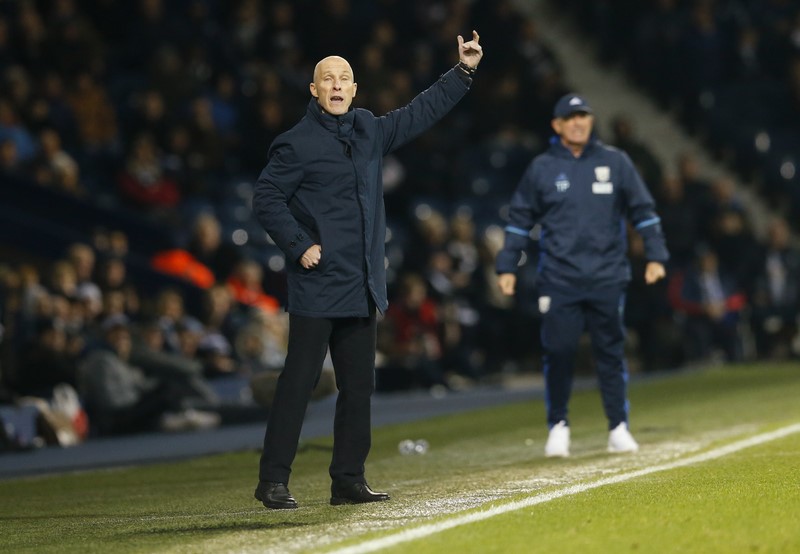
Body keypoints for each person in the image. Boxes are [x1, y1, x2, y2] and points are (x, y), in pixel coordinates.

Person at [251, 31, 484, 509]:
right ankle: (272, 480)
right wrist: (299, 245)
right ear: (313, 90)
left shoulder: (367, 130)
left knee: (359, 388)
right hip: (317, 285)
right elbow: (265, 197)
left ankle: (348, 480)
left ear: (355, 90)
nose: (337, 86)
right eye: (327, 79)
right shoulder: (295, 143)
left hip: (361, 286)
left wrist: (462, 72)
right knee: (298, 384)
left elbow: (420, 112)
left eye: (345, 79)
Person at [495, 93, 669, 458]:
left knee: (611, 353)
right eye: (570, 117)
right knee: (558, 351)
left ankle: (618, 426)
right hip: (560, 278)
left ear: (591, 122)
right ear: (557, 126)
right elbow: (519, 221)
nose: (578, 122)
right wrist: (507, 265)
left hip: (608, 275)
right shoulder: (542, 168)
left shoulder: (616, 161)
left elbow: (644, 210)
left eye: (584, 116)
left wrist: (655, 255)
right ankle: (558, 425)